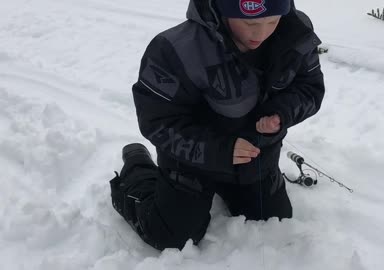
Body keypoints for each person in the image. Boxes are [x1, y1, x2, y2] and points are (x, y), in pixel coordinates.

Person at [109, 0, 325, 251]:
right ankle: (137, 165)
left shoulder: (294, 32)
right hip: (192, 159)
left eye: (272, 21)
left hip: (255, 157)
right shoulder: (175, 49)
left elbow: (310, 88)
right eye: (250, 22)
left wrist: (282, 113)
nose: (261, 33)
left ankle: (232, 186)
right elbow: (157, 120)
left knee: (272, 220)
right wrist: (219, 150)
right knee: (171, 236)